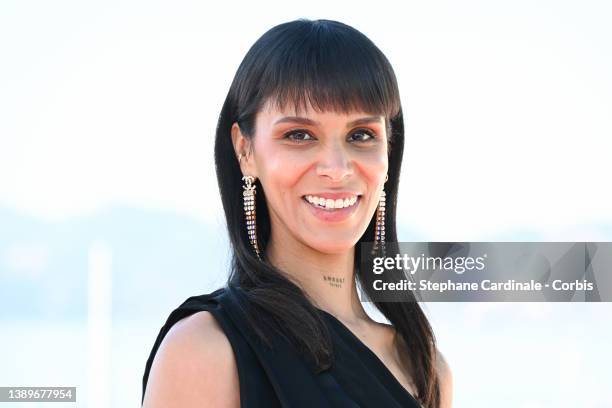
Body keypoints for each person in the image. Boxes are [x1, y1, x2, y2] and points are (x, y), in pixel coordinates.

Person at [141, 18, 453, 408]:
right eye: (299, 135)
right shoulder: (205, 350)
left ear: (389, 152)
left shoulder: (424, 368)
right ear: (245, 150)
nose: (337, 169)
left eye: (361, 135)